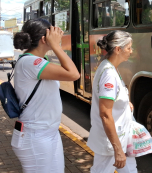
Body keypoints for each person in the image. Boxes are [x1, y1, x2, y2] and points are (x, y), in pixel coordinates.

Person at [12, 19, 80, 172]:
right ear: (44, 39)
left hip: (48, 132)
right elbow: (74, 74)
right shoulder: (30, 62)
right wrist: (56, 46)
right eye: (53, 34)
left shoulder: (38, 61)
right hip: (35, 135)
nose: (59, 37)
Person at [87, 30, 137, 173]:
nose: (131, 51)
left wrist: (125, 105)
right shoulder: (109, 73)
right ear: (118, 49)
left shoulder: (110, 68)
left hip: (121, 137)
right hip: (111, 142)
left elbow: (113, 98)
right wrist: (117, 149)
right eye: (128, 48)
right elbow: (105, 114)